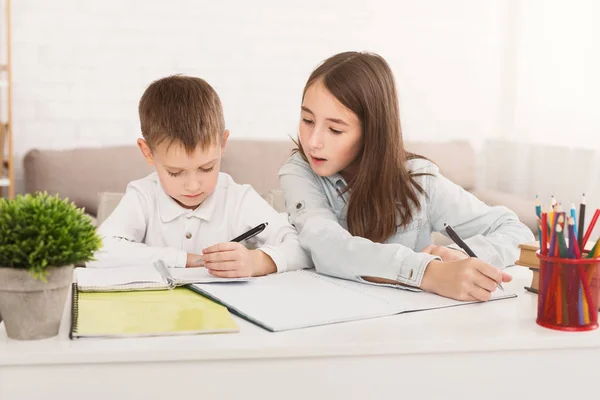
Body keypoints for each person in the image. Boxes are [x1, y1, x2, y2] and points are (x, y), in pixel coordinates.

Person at [278, 51, 534, 301]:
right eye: (307, 120)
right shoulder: (300, 171)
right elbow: (328, 246)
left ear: (372, 132)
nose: (312, 142)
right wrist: (427, 272)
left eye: (335, 129)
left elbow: (515, 231)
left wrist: (456, 257)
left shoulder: (419, 180)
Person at [89, 75, 311, 277]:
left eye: (207, 168)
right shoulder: (143, 196)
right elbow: (98, 251)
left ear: (223, 144)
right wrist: (187, 260)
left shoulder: (237, 198)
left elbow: (302, 246)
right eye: (175, 173)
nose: (193, 186)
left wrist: (258, 261)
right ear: (148, 152)